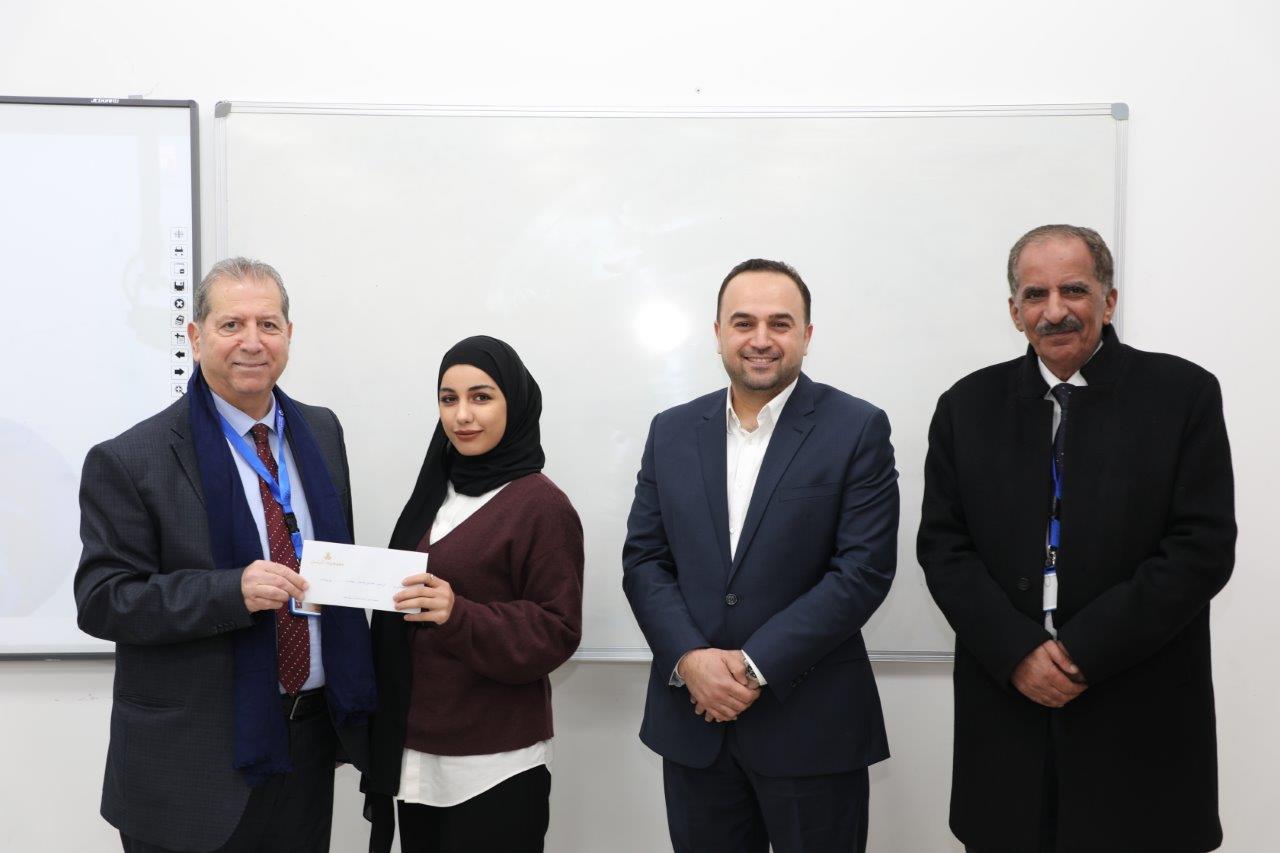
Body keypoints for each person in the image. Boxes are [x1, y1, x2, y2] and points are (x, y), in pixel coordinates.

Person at [918, 224, 1236, 852]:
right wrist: (1018, 652)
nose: (1054, 310)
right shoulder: (965, 405)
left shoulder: (1183, 395)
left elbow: (1201, 548)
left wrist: (1083, 651)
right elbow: (944, 550)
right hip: (1007, 712)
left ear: (1108, 300)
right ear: (1015, 311)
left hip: (1138, 709)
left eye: (1074, 290)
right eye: (1035, 294)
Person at [74, 258, 376, 853]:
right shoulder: (130, 458)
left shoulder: (322, 432)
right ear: (196, 337)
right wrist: (228, 592)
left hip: (309, 744)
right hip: (189, 766)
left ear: (289, 334)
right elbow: (103, 601)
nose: (252, 342)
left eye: (268, 324)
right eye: (231, 325)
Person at [622, 259, 900, 853]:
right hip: (694, 725)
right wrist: (691, 660)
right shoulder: (670, 431)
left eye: (780, 323)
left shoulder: (857, 428)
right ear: (718, 332)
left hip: (812, 729)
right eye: (744, 322)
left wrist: (751, 667)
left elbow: (862, 572)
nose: (761, 339)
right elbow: (645, 561)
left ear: (807, 334)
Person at [362, 335, 584, 853]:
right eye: (449, 399)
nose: (462, 415)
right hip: (417, 756)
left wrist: (456, 614)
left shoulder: (542, 506)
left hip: (493, 764)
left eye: (481, 397)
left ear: (515, 403)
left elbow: (557, 630)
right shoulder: (434, 491)